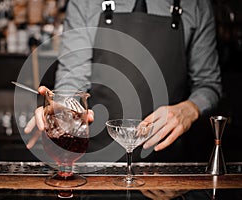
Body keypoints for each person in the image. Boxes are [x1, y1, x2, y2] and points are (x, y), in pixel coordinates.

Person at [24, 0, 222, 162]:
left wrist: (189, 109)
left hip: (169, 167)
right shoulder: (84, 3)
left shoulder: (196, 5)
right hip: (98, 162)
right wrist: (61, 110)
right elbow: (73, 79)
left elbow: (209, 84)